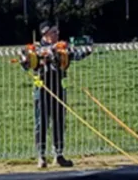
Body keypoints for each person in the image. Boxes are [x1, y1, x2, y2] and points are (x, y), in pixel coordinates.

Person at [18, 22, 91, 169]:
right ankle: (41, 156)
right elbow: (25, 62)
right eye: (53, 32)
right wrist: (38, 56)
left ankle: (59, 155)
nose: (57, 34)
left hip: (58, 88)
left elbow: (76, 54)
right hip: (42, 89)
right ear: (45, 34)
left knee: (59, 121)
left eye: (57, 31)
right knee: (41, 122)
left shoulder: (62, 47)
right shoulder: (35, 48)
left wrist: (88, 49)